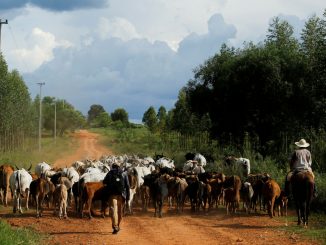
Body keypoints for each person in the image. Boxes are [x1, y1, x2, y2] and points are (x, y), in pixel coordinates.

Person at [103, 161, 130, 234]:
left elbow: (104, 182)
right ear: (119, 166)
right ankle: (118, 225)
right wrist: (128, 197)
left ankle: (115, 226)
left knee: (113, 210)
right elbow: (127, 186)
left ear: (113, 166)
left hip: (112, 195)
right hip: (122, 195)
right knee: (120, 211)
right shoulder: (124, 173)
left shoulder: (110, 173)